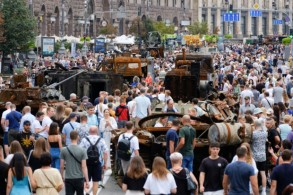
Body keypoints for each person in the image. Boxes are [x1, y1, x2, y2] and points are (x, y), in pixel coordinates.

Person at [79, 126, 108, 195]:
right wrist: (105, 163)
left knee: (85, 180)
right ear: (97, 131)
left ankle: (86, 192)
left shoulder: (84, 140)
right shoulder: (101, 140)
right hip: (97, 163)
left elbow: (79, 151)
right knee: (96, 181)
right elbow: (105, 152)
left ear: (89, 131)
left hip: (86, 163)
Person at [60, 130, 89, 195]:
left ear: (70, 138)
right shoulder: (83, 150)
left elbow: (61, 166)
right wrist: (87, 180)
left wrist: (61, 176)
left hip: (68, 177)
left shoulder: (64, 150)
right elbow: (84, 167)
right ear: (78, 137)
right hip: (79, 178)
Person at [251, 119, 267, 195]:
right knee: (263, 174)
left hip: (254, 156)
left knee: (255, 174)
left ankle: (255, 190)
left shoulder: (253, 134)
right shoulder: (265, 133)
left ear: (255, 125)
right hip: (263, 155)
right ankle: (264, 191)